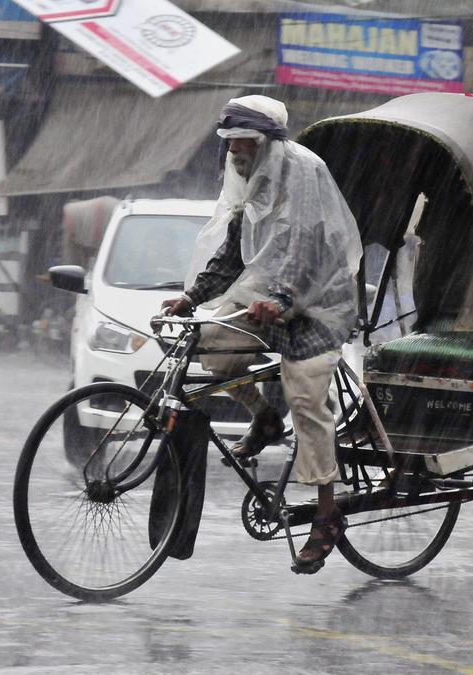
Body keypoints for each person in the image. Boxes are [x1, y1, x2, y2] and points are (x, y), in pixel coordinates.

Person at [160, 95, 362, 571]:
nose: (234, 152)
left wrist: (286, 300)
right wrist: (193, 296)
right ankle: (264, 420)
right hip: (262, 297)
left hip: (319, 302)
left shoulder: (303, 172)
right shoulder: (252, 181)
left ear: (267, 140)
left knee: (307, 400)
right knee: (212, 348)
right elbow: (235, 248)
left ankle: (327, 514)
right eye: (230, 143)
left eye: (243, 141)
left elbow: (306, 244)